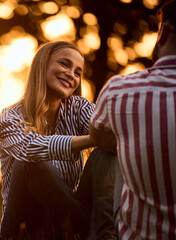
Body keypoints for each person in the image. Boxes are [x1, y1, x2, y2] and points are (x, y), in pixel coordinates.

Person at [0, 41, 122, 239]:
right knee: (29, 164)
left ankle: (104, 235)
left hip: (65, 227)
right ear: (42, 65)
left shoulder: (78, 108)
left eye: (78, 72)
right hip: (25, 229)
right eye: (64, 64)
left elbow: (111, 131)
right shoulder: (9, 119)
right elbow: (31, 148)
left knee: (105, 154)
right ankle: (88, 228)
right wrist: (94, 138)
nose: (71, 74)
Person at [89, 0, 176, 239]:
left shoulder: (119, 89)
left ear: (164, 32)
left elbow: (100, 138)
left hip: (140, 234)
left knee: (107, 151)